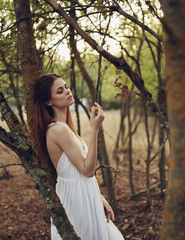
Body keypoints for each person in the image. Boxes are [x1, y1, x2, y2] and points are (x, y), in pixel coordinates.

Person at [31, 73, 124, 240]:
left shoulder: (65, 127)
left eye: (66, 87)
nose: (67, 91)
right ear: (48, 101)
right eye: (60, 91)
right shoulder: (58, 130)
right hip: (76, 201)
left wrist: (98, 197)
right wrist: (94, 129)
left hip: (85, 194)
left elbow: (80, 171)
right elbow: (87, 170)